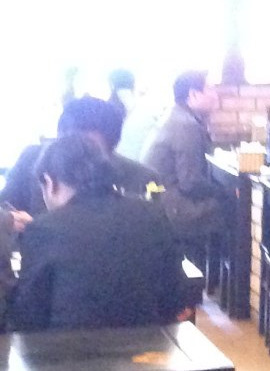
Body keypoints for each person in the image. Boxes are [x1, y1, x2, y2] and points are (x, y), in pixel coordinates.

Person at [5, 132, 188, 331]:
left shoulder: (43, 229)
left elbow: (29, 315)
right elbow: (175, 296)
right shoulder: (153, 215)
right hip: (147, 344)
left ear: (49, 182)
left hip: (67, 348)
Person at [1, 95, 149, 226]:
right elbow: (5, 204)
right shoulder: (32, 159)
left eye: (90, 150)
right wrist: (11, 220)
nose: (80, 155)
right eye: (71, 146)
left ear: (112, 148)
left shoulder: (138, 178)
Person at [143, 70, 225, 243]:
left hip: (154, 199)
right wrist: (225, 192)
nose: (216, 95)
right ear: (193, 94)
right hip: (168, 205)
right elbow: (190, 183)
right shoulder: (186, 125)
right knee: (231, 206)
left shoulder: (175, 116)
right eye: (210, 89)